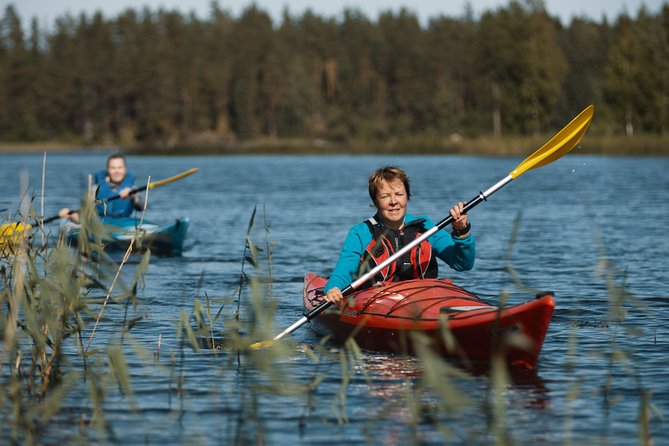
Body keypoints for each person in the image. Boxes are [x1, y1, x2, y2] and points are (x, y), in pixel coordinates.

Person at [323, 165, 475, 304]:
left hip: (423, 301)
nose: (393, 201)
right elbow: (344, 271)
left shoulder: (426, 227)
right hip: (376, 302)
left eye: (399, 194)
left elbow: (463, 264)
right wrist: (333, 288)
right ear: (375, 202)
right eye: (385, 196)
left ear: (407, 197)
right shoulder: (360, 233)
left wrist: (461, 230)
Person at [59, 153, 144, 223]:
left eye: (120, 168)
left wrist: (133, 195)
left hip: (124, 223)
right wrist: (70, 215)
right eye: (113, 168)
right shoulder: (95, 190)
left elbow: (141, 207)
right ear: (108, 170)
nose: (117, 171)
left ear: (125, 169)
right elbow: (84, 216)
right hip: (100, 224)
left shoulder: (133, 190)